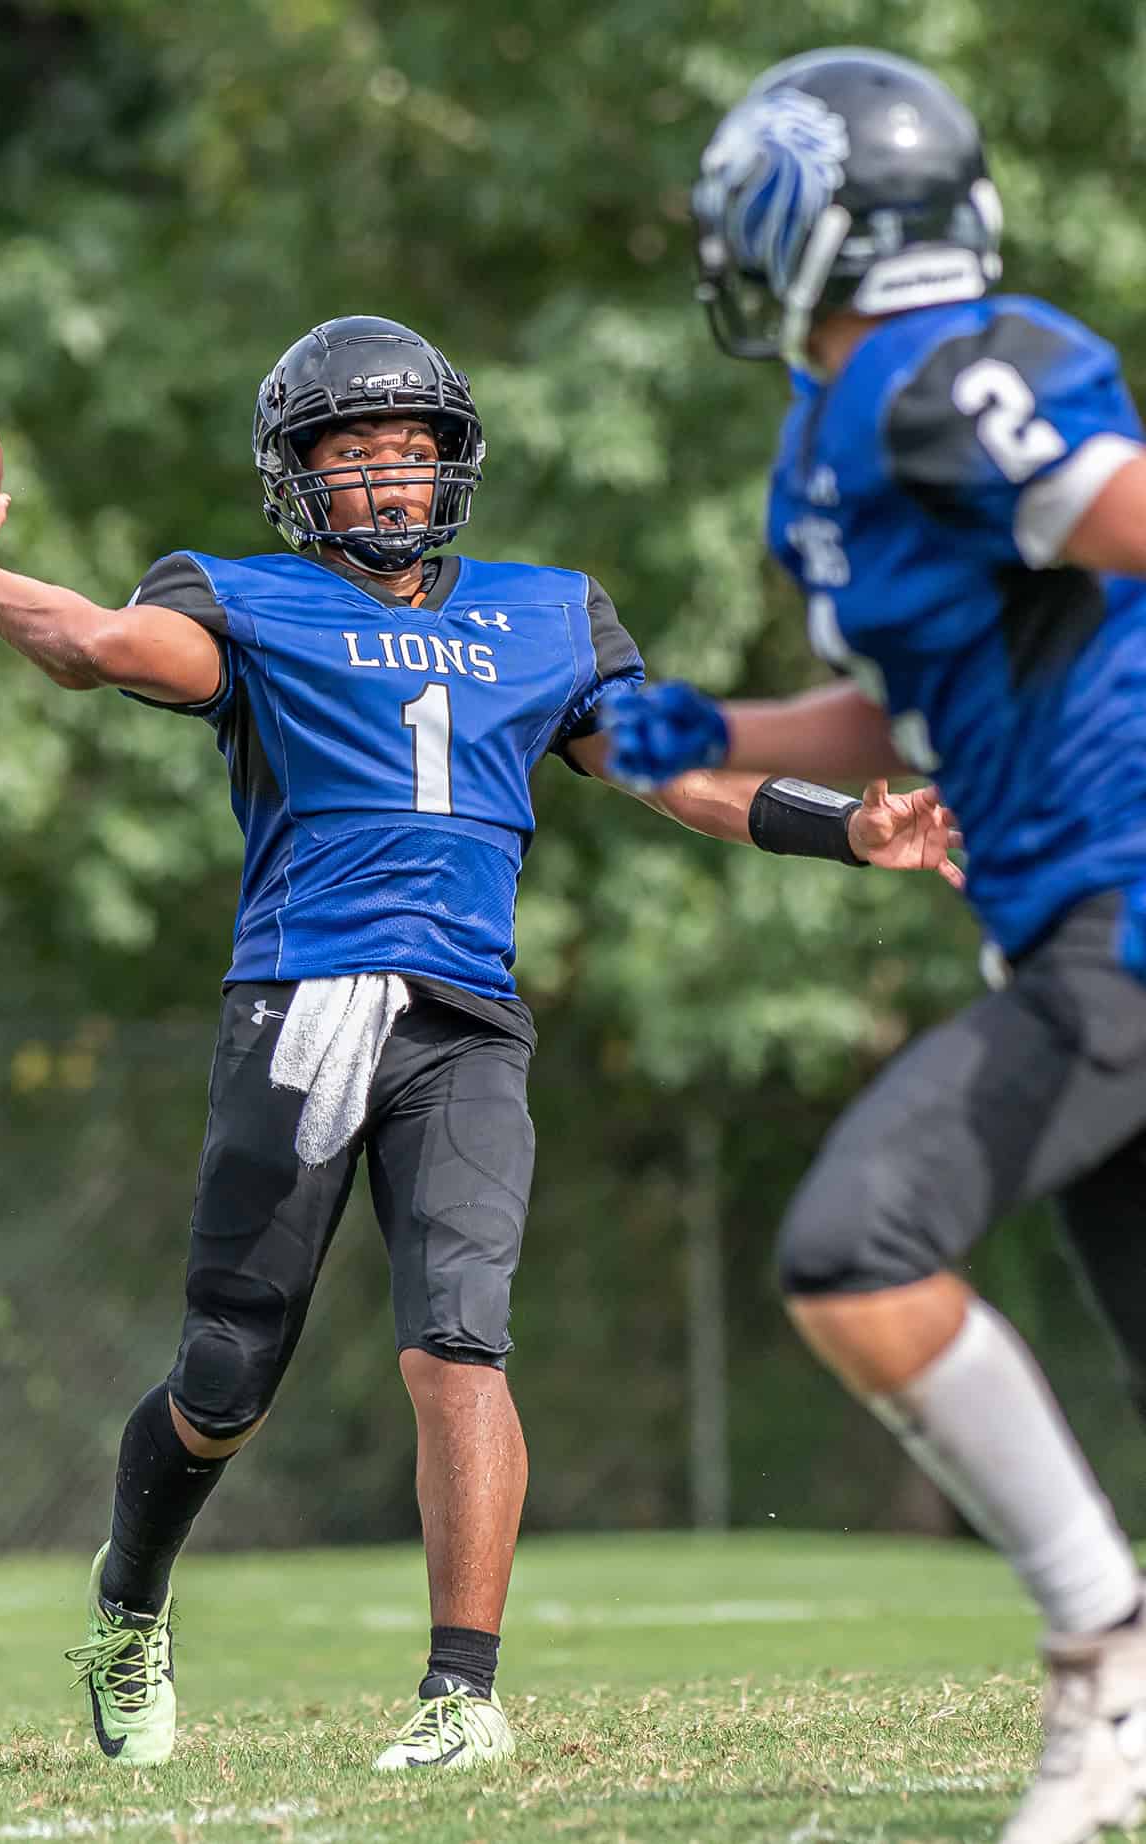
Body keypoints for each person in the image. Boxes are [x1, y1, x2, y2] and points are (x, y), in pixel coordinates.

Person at [0, 313, 956, 1773]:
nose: (388, 479)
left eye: (413, 451)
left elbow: (666, 770)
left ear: (457, 467)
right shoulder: (242, 601)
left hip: (466, 1024)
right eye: (354, 454)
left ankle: (461, 1697)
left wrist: (841, 825)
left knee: (459, 1341)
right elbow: (100, 646)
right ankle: (129, 1606)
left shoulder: (548, 611)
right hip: (301, 1009)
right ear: (298, 477)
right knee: (226, 1379)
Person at [599, 48, 1146, 1844]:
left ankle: (1103, 1654)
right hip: (1063, 928)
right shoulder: (847, 432)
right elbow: (907, 701)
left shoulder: (938, 372)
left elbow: (1121, 512)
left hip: (1122, 924)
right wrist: (713, 737)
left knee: (857, 1247)